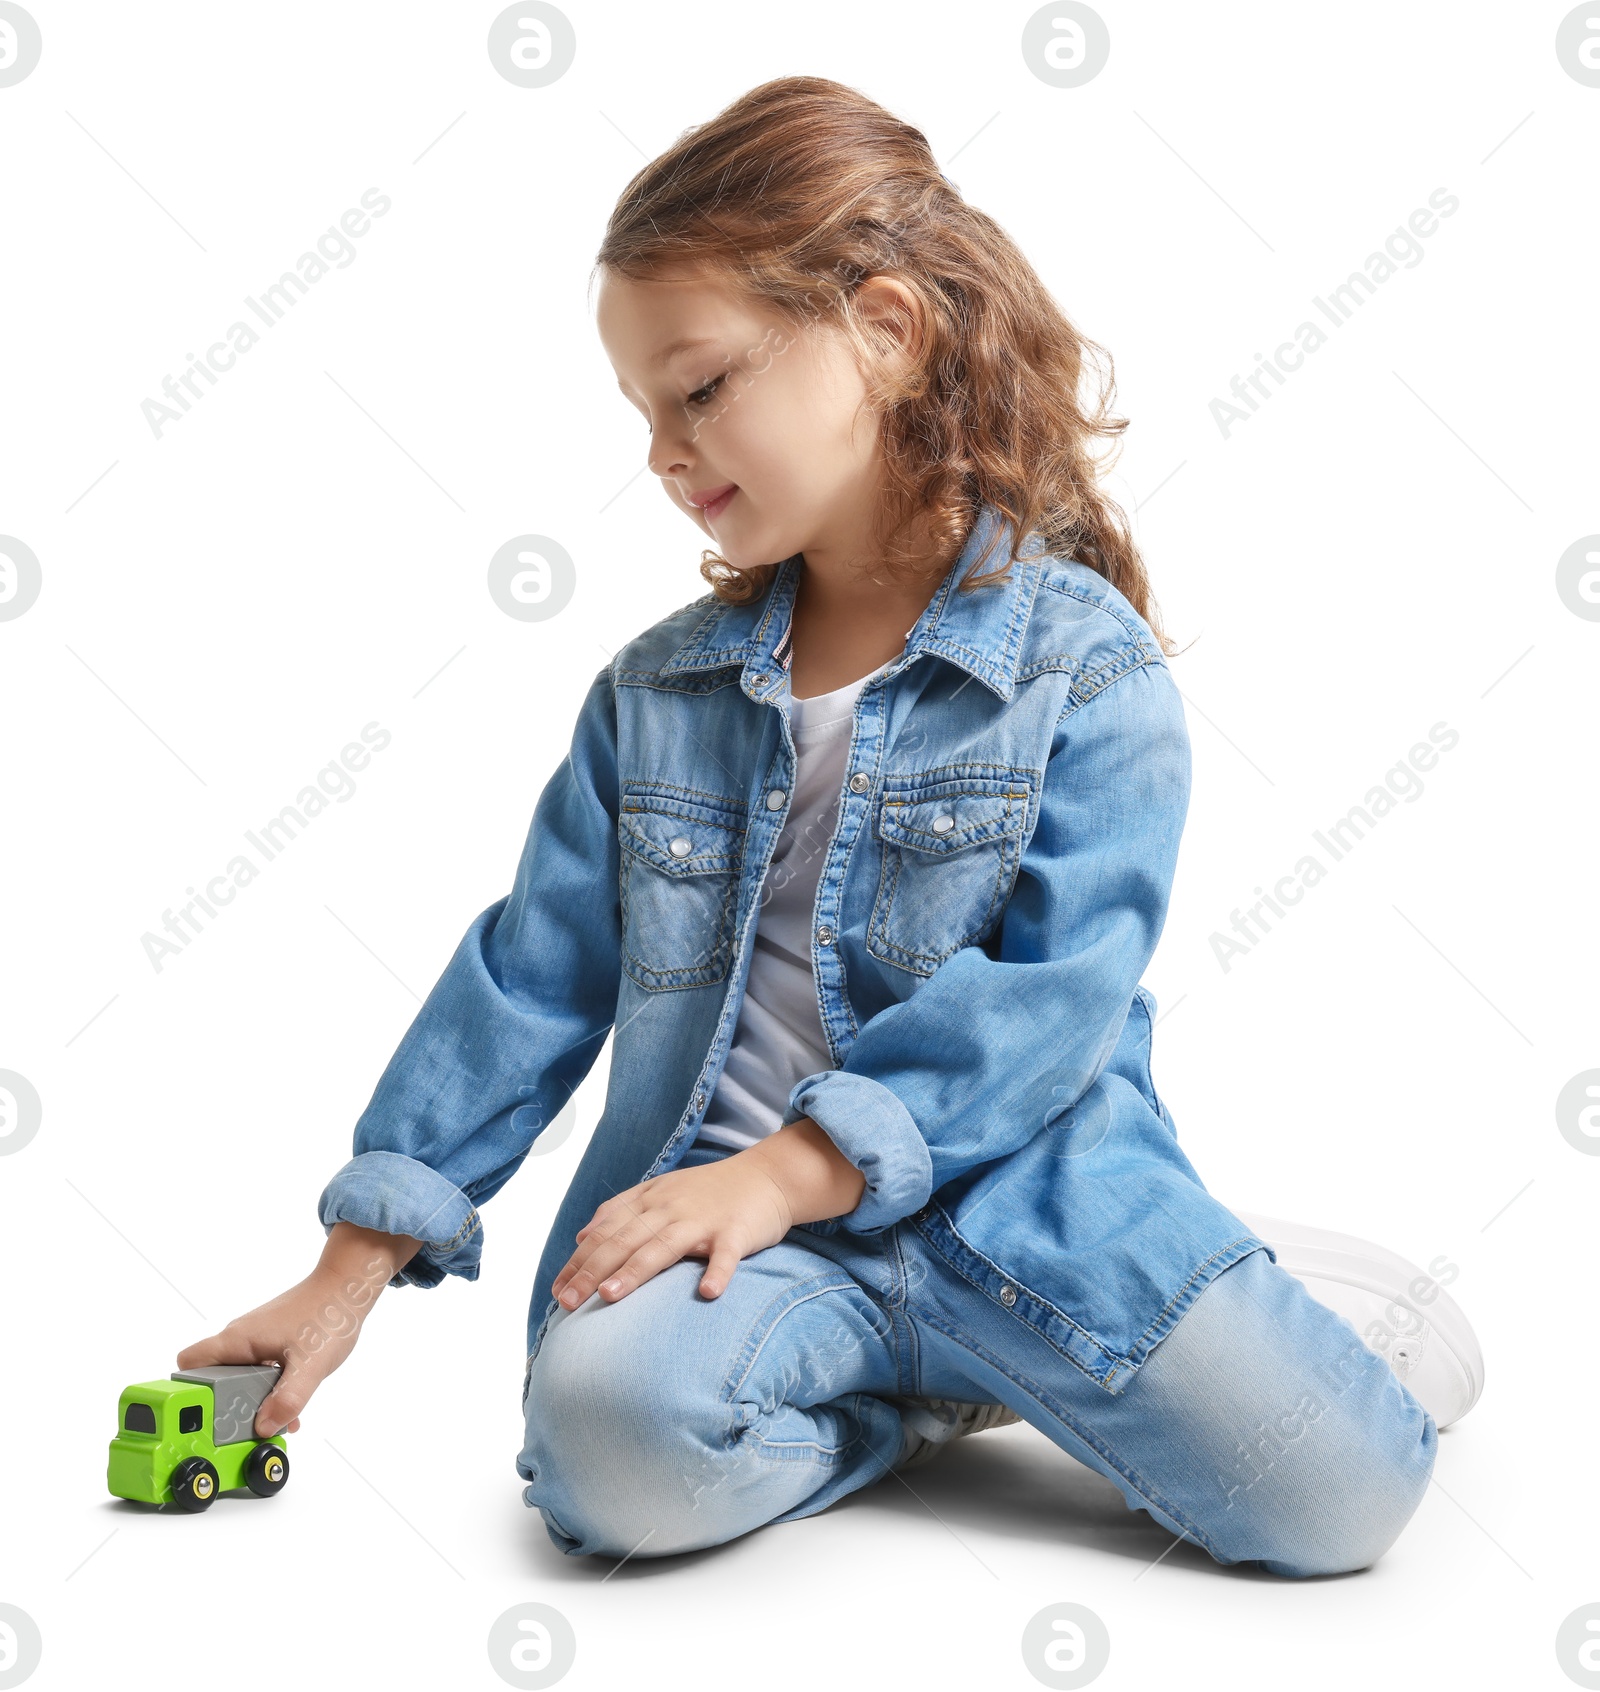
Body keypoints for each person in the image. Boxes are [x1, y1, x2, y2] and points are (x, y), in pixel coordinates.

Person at [177, 75, 1482, 1578]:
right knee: (602, 1454)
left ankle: (1246, 1301)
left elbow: (1052, 997)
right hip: (748, 1249)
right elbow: (531, 978)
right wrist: (349, 1270)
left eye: (702, 386)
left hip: (1032, 1223)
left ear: (885, 328)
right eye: (642, 412)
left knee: (1331, 1505)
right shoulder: (654, 694)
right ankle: (902, 1402)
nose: (664, 450)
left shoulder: (1082, 665)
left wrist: (794, 1165)